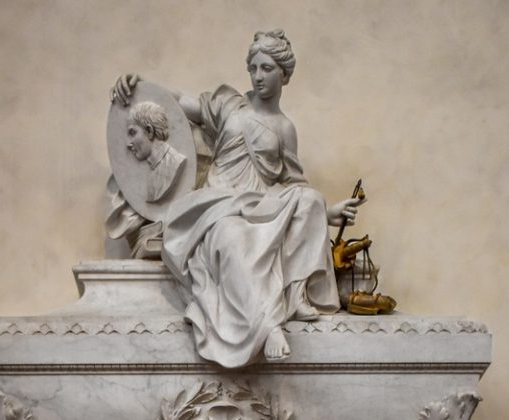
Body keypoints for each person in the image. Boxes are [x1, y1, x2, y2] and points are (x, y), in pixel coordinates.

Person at [112, 30, 364, 368]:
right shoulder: (229, 104)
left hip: (261, 204)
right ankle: (269, 325)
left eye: (267, 69)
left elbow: (292, 181)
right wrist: (141, 86)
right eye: (253, 68)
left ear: (284, 74)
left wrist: (327, 212)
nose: (258, 76)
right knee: (231, 236)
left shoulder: (285, 128)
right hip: (218, 204)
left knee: (311, 199)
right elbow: (180, 102)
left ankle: (295, 294)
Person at [126, 101, 187, 203]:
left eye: (133, 133)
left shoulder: (175, 162)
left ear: (149, 131)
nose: (128, 143)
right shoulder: (153, 170)